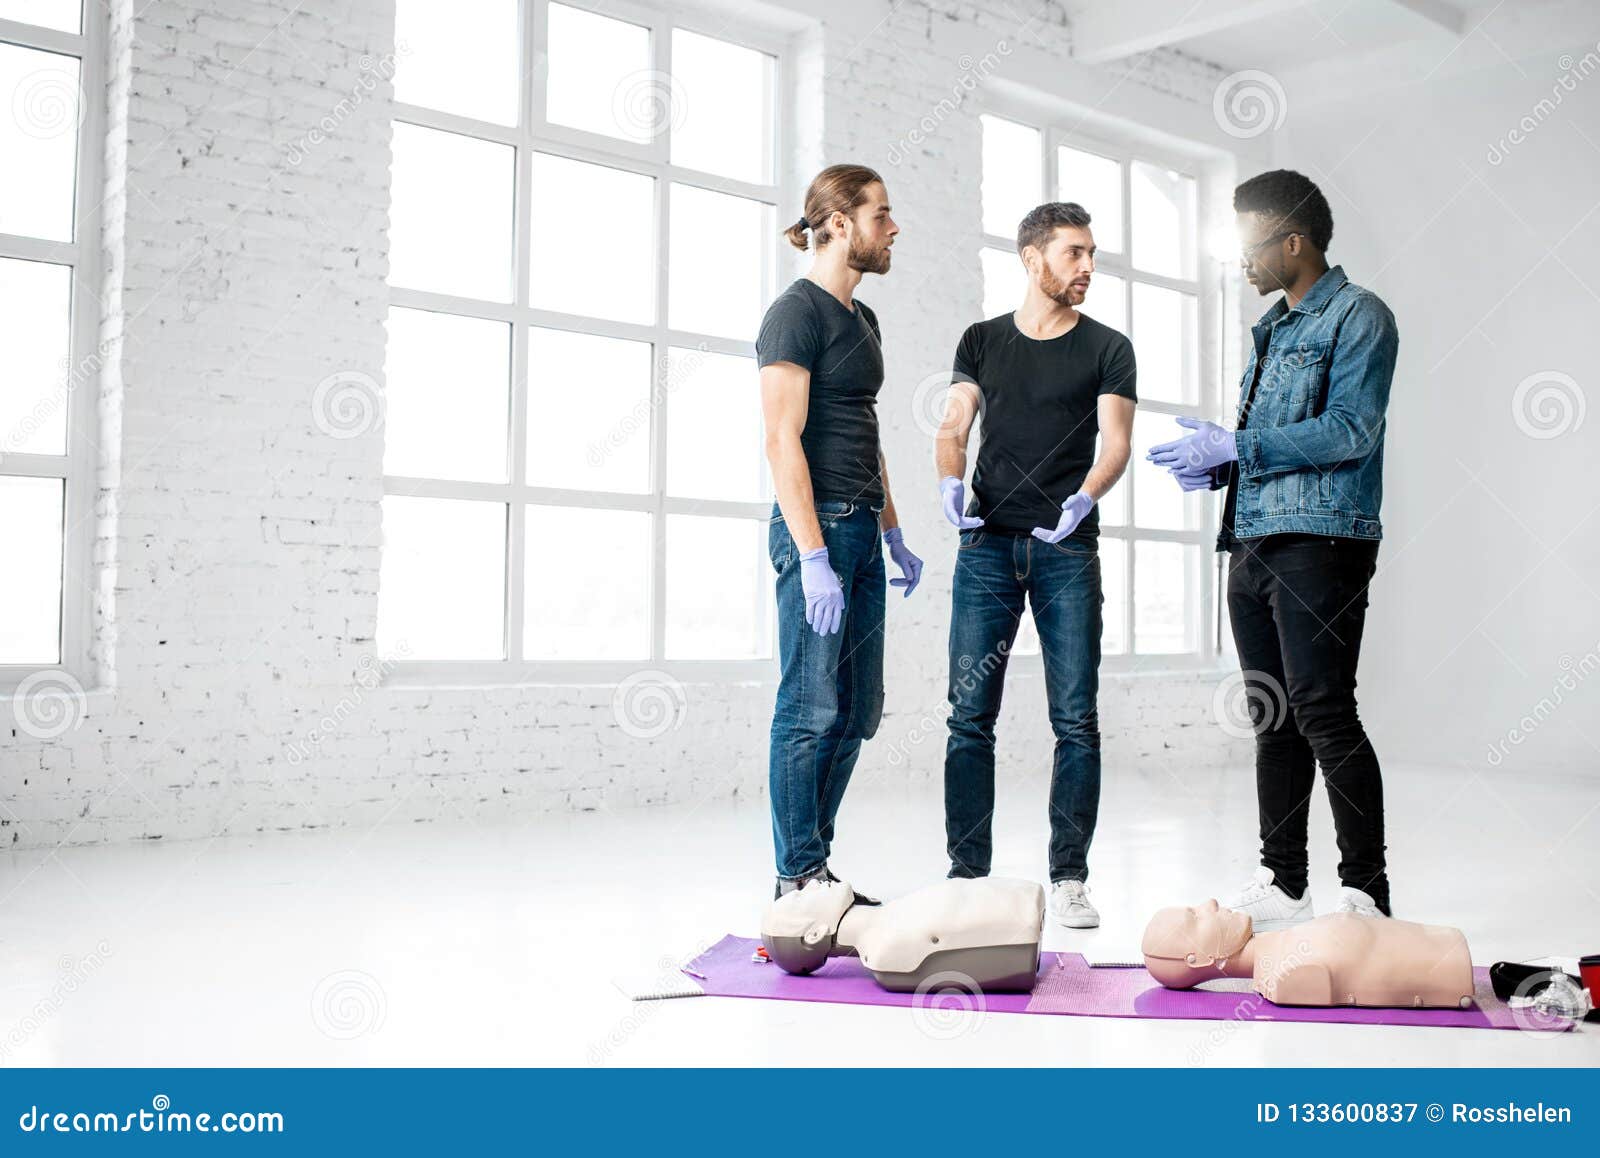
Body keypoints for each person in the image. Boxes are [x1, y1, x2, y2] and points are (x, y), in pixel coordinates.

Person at [1147, 169, 1399, 928]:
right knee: (1274, 713)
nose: (1242, 263)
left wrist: (1243, 445)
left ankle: (1365, 893)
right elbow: (1274, 446)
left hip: (1321, 544)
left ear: (1294, 241)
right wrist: (1222, 460)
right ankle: (1287, 884)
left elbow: (1353, 430)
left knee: (1325, 710)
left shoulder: (1360, 316)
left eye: (1250, 246)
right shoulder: (1273, 329)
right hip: (1253, 542)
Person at [935, 202, 1136, 929]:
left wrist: (1083, 500)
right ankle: (966, 875)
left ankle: (1071, 877)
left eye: (1091, 255)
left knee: (1076, 719)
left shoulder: (1109, 347)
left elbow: (1115, 442)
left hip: (1066, 551)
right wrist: (949, 475)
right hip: (986, 548)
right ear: (1032, 258)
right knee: (968, 716)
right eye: (1074, 253)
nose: (1086, 268)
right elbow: (956, 418)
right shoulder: (982, 340)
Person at [757, 164, 923, 903]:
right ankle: (797, 878)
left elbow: (867, 431)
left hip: (860, 532)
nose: (893, 229)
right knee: (809, 708)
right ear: (840, 224)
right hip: (815, 532)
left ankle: (816, 864)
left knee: (857, 711)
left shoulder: (865, 319)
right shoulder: (794, 313)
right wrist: (814, 556)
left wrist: (893, 532)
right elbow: (780, 441)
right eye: (881, 215)